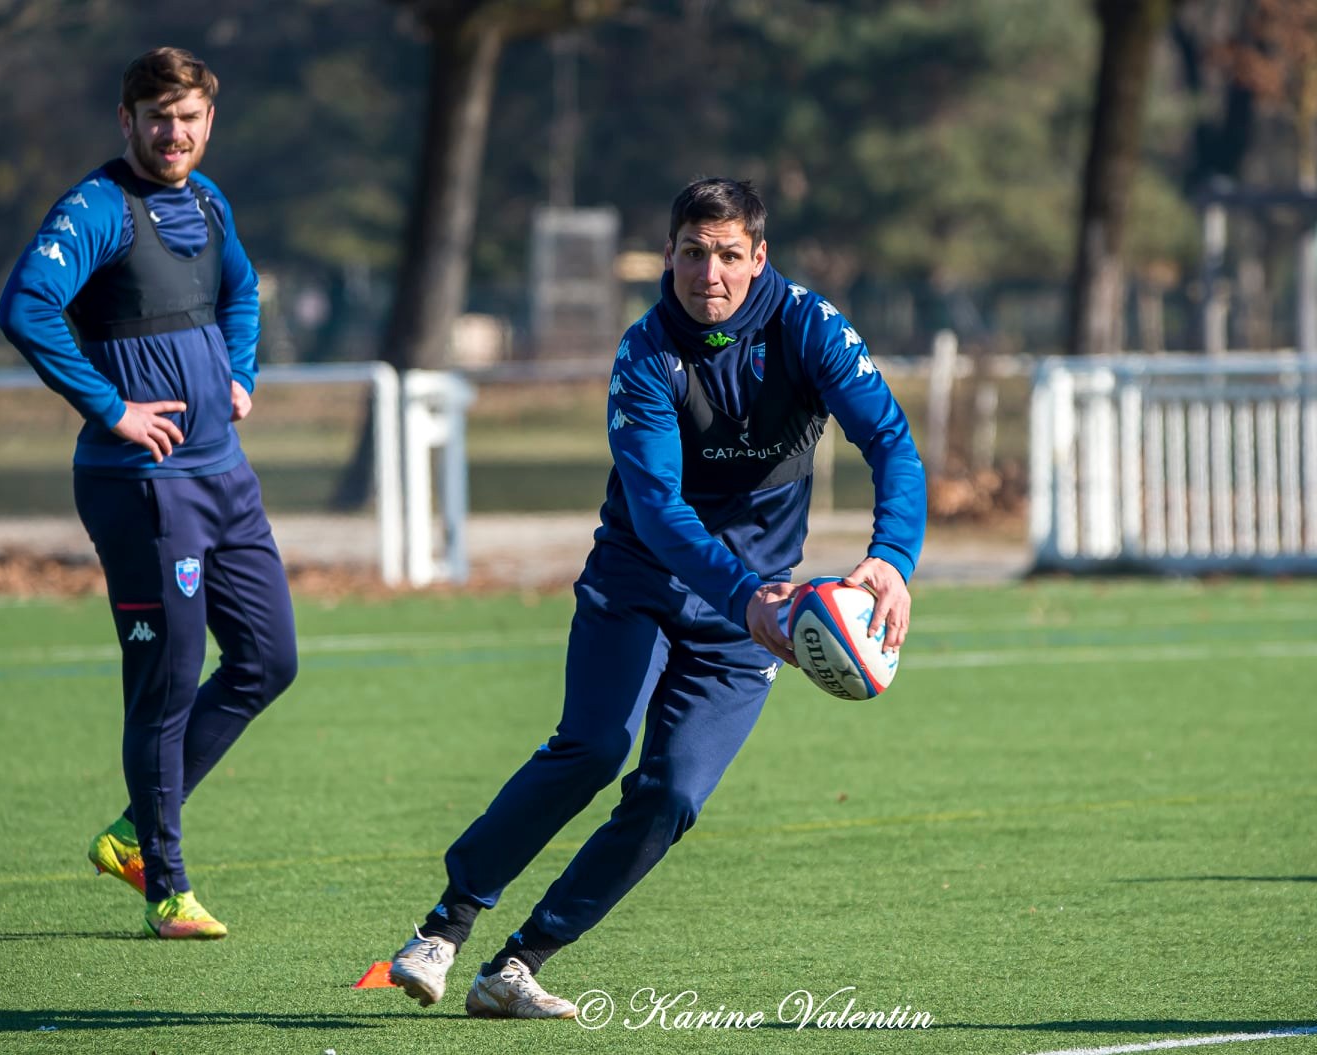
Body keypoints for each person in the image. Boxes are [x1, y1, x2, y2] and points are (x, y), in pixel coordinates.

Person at [387, 177, 926, 1018]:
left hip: (753, 618)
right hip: (643, 581)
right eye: (692, 252)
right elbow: (660, 511)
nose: (708, 273)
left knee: (672, 795)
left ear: (759, 259)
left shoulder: (811, 329)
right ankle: (445, 926)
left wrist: (891, 555)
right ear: (669, 253)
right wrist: (749, 594)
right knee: (595, 746)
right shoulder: (645, 354)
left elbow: (889, 440)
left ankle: (518, 964)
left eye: (728, 255)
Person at [0, 47, 297, 940]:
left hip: (224, 476)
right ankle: (166, 883)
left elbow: (241, 289)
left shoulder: (208, 203)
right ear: (126, 120)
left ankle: (132, 832)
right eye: (158, 117)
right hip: (141, 487)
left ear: (210, 123)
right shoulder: (96, 209)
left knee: (268, 660)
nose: (175, 134)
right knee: (164, 681)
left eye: (190, 118)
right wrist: (110, 406)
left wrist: (240, 371)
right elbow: (26, 306)